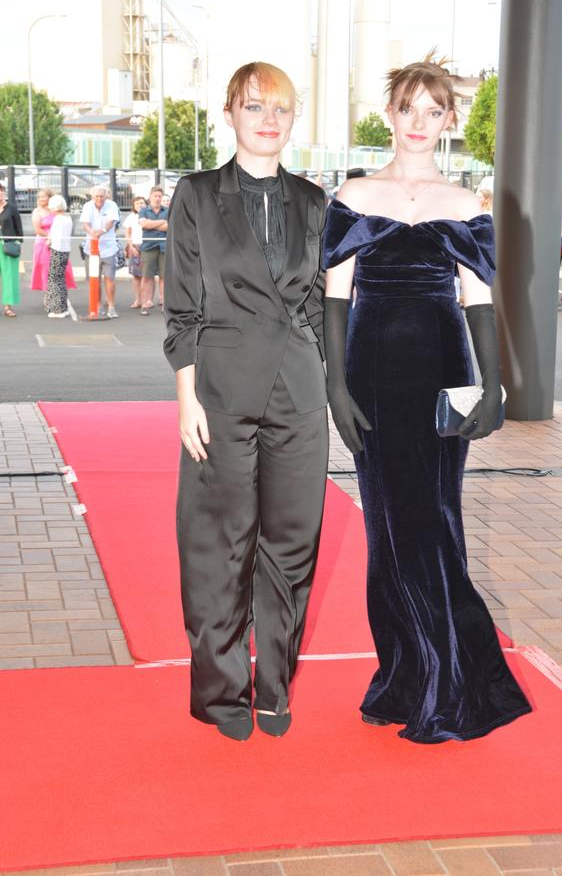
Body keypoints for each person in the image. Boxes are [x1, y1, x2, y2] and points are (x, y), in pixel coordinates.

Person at [322, 54, 531, 744]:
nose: (418, 121)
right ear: (389, 115)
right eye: (406, 107)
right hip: (372, 373)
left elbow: (479, 302)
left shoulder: (467, 204)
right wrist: (335, 387)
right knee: (388, 528)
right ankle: (407, 676)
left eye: (431, 110)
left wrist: (494, 384)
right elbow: (335, 298)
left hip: (444, 368)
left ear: (449, 121)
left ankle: (447, 678)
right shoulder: (352, 195)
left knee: (436, 519)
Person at [163, 61, 328, 742]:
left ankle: (274, 685)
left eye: (281, 109)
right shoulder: (197, 195)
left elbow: (321, 306)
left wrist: (343, 391)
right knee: (218, 545)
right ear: (229, 113)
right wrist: (186, 398)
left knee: (292, 544)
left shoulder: (314, 201)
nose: (269, 119)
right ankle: (222, 690)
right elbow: (181, 308)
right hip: (222, 392)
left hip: (298, 391)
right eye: (255, 106)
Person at [80, 186, 120, 318]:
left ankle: (111, 306)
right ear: (92, 197)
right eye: (96, 196)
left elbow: (110, 222)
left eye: (101, 196)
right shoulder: (87, 206)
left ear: (106, 196)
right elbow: (85, 224)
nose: (99, 199)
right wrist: (92, 233)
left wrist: (101, 231)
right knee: (94, 278)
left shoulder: (112, 205)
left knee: (109, 278)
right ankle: (98, 305)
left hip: (108, 248)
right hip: (91, 248)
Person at [31, 187, 76, 299]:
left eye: (44, 196)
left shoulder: (56, 211)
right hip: (43, 243)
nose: (41, 199)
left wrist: (56, 238)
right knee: (46, 268)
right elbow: (37, 229)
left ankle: (59, 294)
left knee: (60, 269)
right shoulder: (37, 212)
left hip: (58, 243)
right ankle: (49, 295)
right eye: (40, 197)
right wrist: (51, 237)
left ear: (50, 198)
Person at [139, 186, 168, 315]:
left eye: (159, 196)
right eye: (155, 196)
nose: (157, 198)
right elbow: (144, 224)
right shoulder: (144, 211)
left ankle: (165, 306)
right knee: (146, 277)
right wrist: (161, 222)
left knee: (164, 277)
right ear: (150, 197)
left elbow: (170, 226)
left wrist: (152, 224)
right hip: (148, 246)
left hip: (165, 247)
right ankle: (144, 304)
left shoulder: (168, 210)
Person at [45, 195, 73, 319]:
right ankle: (63, 307)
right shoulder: (68, 218)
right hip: (65, 251)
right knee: (60, 279)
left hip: (57, 250)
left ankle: (57, 310)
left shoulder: (58, 219)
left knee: (54, 279)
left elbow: (56, 237)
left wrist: (49, 243)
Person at [0, 182, 23, 318]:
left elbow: (18, 226)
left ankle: (8, 306)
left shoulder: (11, 209)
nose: (0, 193)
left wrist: (17, 241)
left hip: (8, 245)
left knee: (9, 277)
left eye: (1, 191)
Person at [124, 195, 145, 309]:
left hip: (147, 247)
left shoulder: (148, 215)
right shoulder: (131, 217)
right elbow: (127, 233)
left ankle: (146, 300)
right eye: (137, 203)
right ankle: (138, 300)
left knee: (146, 276)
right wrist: (131, 247)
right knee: (136, 276)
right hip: (135, 247)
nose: (139, 205)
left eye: (141, 203)